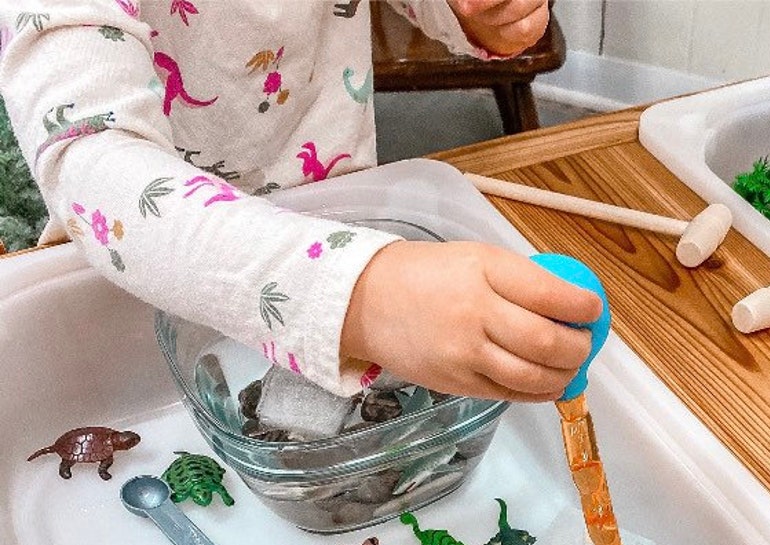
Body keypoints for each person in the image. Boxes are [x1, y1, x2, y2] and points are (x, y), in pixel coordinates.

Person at [0, 0, 600, 403]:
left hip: (338, 203)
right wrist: (367, 300)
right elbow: (92, 165)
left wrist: (480, 15)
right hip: (144, 272)